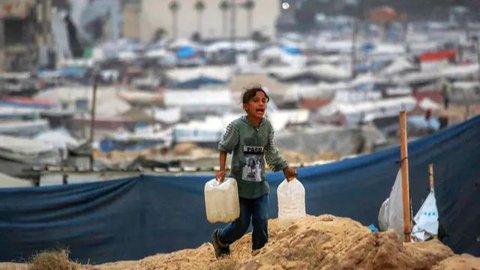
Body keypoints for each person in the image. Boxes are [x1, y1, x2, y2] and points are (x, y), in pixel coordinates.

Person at [211, 86, 297, 258]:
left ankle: (259, 256)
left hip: (259, 188)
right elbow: (224, 148)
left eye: (264, 101)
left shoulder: (267, 127)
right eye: (255, 100)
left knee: (261, 221)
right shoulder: (236, 127)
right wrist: (222, 170)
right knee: (241, 225)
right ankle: (220, 239)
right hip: (240, 189)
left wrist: (285, 168)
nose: (260, 104)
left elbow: (271, 151)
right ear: (245, 106)